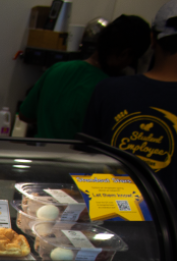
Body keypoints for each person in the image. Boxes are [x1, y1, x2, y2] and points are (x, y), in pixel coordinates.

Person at [83, 1, 177, 204]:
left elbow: (86, 161)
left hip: (109, 217)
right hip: (170, 228)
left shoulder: (109, 90)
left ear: (153, 39)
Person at [18, 15, 151, 139]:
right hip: (76, 161)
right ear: (124, 54)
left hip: (41, 156)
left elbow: (25, 115)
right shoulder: (110, 89)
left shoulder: (57, 69)